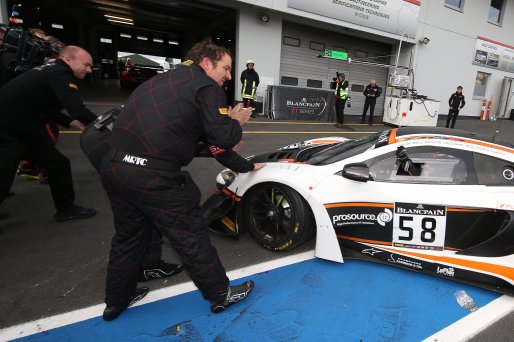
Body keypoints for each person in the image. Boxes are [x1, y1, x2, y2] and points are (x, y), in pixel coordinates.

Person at [98, 39, 266, 321]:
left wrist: (245, 166)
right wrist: (235, 122)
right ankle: (220, 293)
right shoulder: (205, 87)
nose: (228, 75)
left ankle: (116, 300)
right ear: (206, 62)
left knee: (128, 237)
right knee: (189, 235)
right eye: (225, 68)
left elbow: (207, 145)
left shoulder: (162, 81)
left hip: (115, 168)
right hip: (153, 176)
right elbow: (222, 139)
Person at [0, 45, 98, 222]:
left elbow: (40, 103)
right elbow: (77, 109)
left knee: (58, 164)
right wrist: (103, 125)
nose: (89, 70)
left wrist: (69, 122)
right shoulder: (60, 74)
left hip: (26, 131)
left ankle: (66, 209)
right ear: (68, 60)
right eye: (86, 65)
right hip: (8, 131)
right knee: (3, 177)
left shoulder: (50, 70)